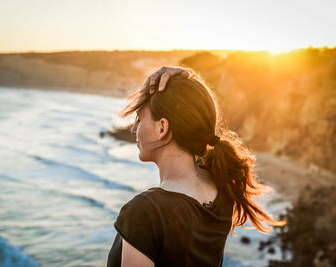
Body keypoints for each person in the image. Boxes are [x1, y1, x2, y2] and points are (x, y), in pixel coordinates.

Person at [107, 66, 286, 267]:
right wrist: (186, 82)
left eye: (139, 119)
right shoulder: (221, 190)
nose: (133, 129)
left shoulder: (145, 212)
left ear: (162, 128)